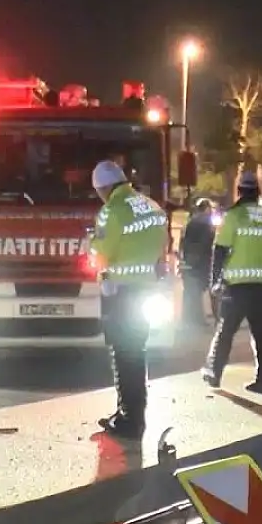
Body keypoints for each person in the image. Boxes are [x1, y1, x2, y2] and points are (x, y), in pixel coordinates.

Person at [89, 160, 169, 438]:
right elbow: (163, 244)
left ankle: (129, 419)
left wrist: (92, 246)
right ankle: (135, 414)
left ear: (103, 188)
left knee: (123, 355)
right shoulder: (151, 205)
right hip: (146, 290)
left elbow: (102, 252)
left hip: (120, 293)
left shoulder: (111, 211)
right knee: (137, 353)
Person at [201, 172, 262, 394]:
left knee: (226, 331)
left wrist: (214, 281)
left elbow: (220, 250)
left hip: (237, 285)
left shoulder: (233, 216)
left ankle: (214, 372)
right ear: (258, 193)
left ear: (239, 192)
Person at [178, 197, 216, 327]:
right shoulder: (205, 222)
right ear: (206, 208)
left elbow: (183, 241)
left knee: (190, 290)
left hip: (189, 259)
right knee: (197, 290)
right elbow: (206, 243)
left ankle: (188, 318)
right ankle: (197, 319)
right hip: (199, 261)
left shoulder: (190, 221)